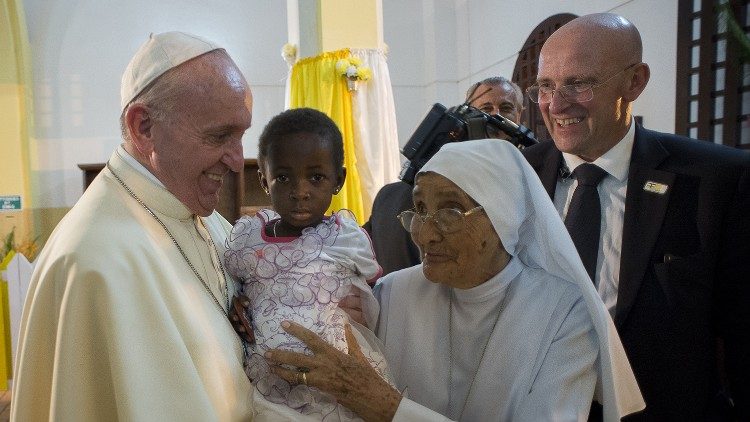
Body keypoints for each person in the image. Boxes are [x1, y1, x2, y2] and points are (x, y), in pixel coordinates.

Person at [263, 139, 645, 421]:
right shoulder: (395, 292)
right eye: (421, 209)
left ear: (502, 217)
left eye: (450, 211)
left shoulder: (565, 312)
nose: (424, 234)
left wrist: (385, 406)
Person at [11, 32, 255, 421]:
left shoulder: (208, 223)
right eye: (219, 136)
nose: (238, 160)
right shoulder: (94, 261)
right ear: (144, 127)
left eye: (241, 135)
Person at [522, 13, 750, 420]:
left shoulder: (717, 180)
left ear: (635, 81)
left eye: (578, 83)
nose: (555, 105)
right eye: (545, 86)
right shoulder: (516, 177)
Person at [224, 108, 389, 421]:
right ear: (264, 180)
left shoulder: (344, 236)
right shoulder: (247, 238)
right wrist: (239, 305)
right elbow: (235, 285)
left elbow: (372, 289)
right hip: (270, 376)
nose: (300, 192)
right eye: (283, 178)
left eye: (316, 177)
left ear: (338, 180)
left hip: (335, 377)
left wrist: (361, 307)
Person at [364, 76, 524, 276]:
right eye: (485, 110)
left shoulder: (529, 181)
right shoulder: (391, 198)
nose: (496, 118)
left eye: (506, 108)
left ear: (520, 116)